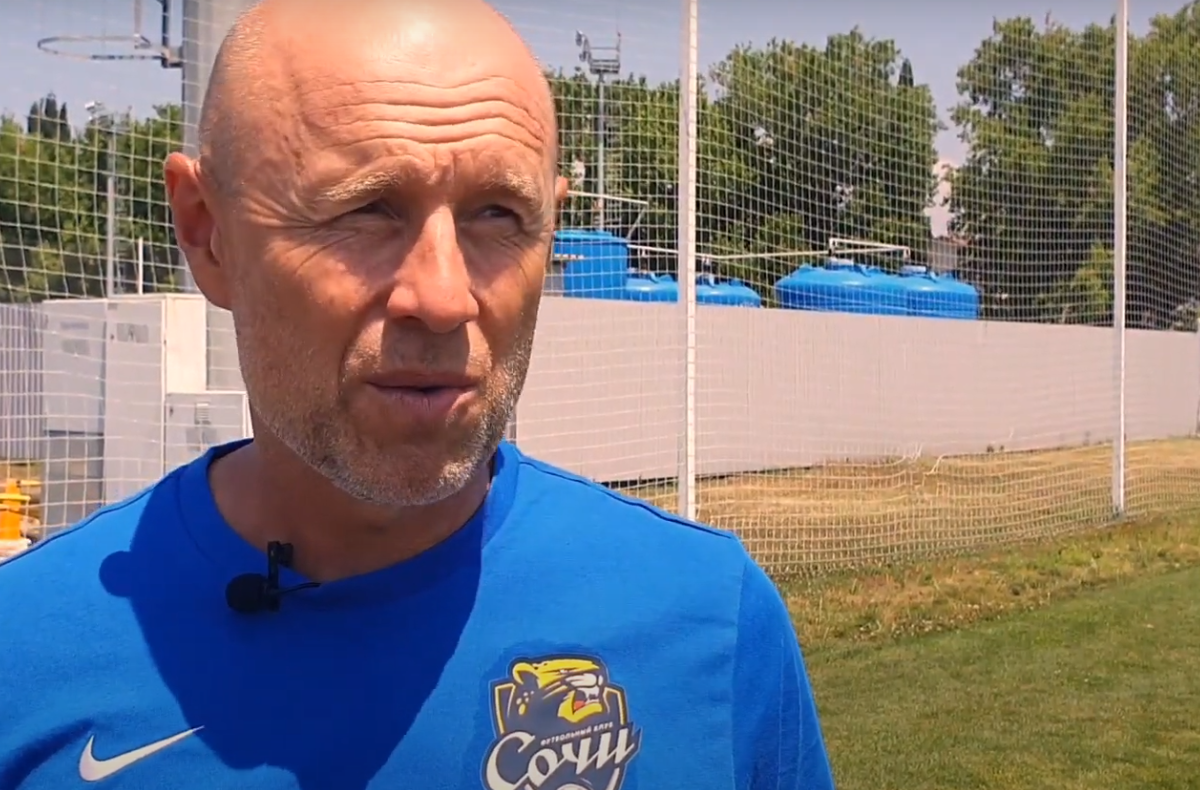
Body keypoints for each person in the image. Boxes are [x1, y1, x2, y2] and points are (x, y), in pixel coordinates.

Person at [0, 1, 836, 788]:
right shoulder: (25, 652)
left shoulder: (708, 617)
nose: (442, 298)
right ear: (207, 234)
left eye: (498, 215)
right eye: (366, 210)